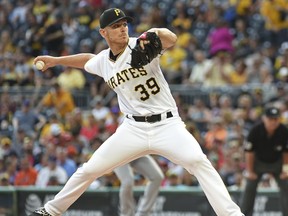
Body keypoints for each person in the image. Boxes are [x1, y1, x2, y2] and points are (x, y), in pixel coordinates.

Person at [30, 8, 244, 216]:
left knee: (198, 162)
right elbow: (88, 59)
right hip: (133, 128)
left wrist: (155, 33)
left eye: (124, 24)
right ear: (103, 33)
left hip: (167, 125)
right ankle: (50, 211)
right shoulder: (104, 61)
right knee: (90, 169)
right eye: (116, 26)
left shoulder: (140, 45)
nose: (123, 29)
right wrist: (56, 61)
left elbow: (171, 38)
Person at [240, 106, 288, 216]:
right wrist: (250, 171)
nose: (273, 122)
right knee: (250, 187)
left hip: (277, 163)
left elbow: (286, 152)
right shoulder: (255, 130)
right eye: (271, 119)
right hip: (258, 163)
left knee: (286, 185)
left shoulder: (283, 130)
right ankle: (244, 214)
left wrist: (285, 170)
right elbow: (249, 152)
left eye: (276, 119)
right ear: (264, 118)